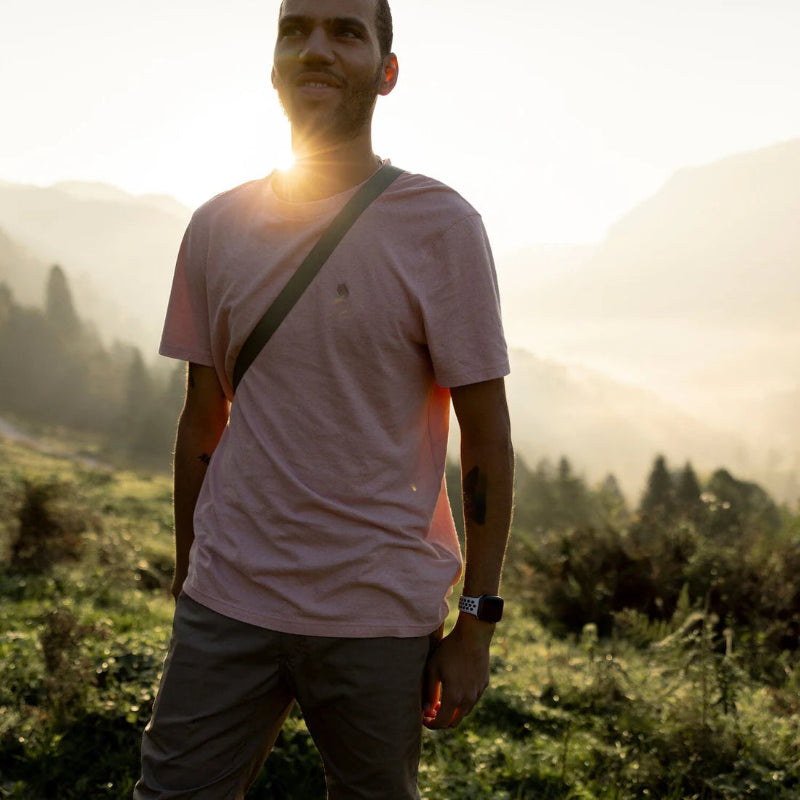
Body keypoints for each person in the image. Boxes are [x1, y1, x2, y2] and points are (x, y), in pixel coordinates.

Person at [134, 0, 513, 797]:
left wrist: (475, 623)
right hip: (227, 599)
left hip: (378, 612)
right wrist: (187, 576)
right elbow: (204, 420)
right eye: (294, 30)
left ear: (387, 71)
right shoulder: (215, 226)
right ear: (272, 66)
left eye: (346, 32)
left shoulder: (441, 226)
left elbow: (484, 436)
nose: (315, 49)